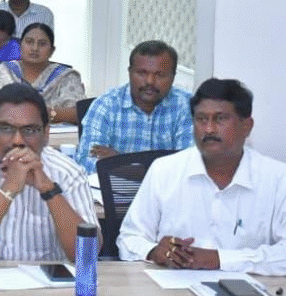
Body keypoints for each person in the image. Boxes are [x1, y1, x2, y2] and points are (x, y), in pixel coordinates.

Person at [118, 78, 286, 275]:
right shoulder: (164, 170)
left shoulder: (277, 179)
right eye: (201, 119)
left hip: (249, 291)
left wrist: (217, 259)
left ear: (247, 126)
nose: (209, 129)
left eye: (220, 119)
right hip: (172, 290)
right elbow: (128, 239)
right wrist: (153, 251)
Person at [0, 83, 99, 262]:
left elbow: (87, 255)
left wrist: (48, 189)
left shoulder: (68, 171)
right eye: (6, 129)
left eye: (29, 130)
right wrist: (9, 188)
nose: (18, 141)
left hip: (43, 277)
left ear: (46, 133)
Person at [76, 40, 193, 174]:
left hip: (166, 188)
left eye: (160, 75)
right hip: (117, 187)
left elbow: (189, 166)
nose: (150, 81)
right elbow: (87, 162)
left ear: (173, 77)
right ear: (130, 72)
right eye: (142, 73)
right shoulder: (106, 105)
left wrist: (121, 160)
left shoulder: (187, 106)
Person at [0, 23, 85, 125]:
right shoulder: (0, 72)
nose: (35, 48)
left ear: (52, 50)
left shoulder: (66, 76)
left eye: (42, 44)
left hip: (56, 133)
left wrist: (48, 114)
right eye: (29, 42)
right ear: (20, 46)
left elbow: (80, 113)